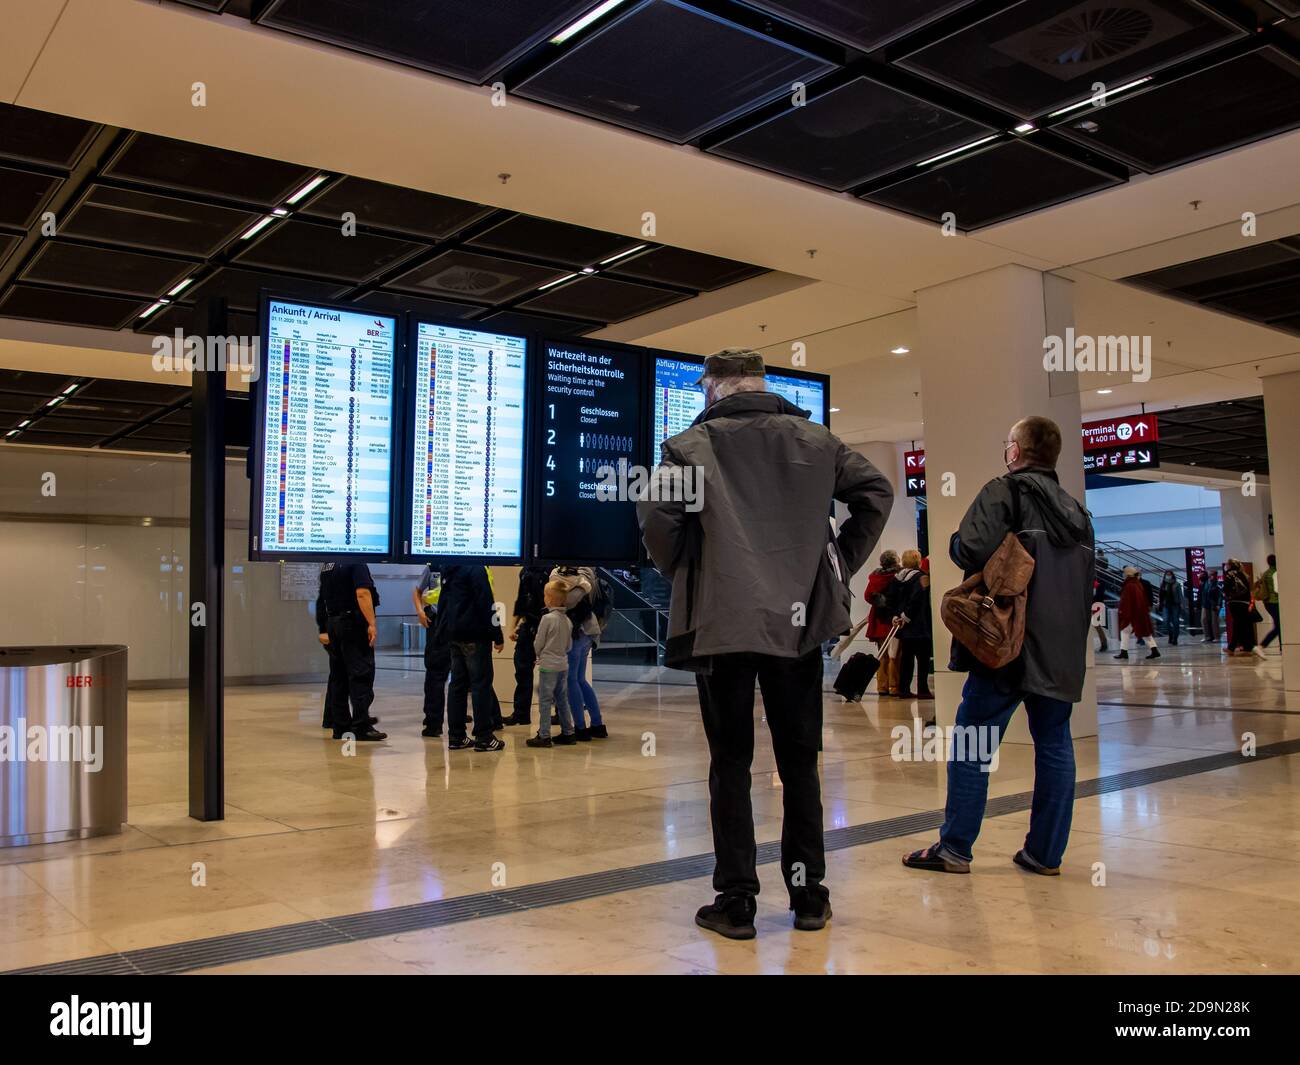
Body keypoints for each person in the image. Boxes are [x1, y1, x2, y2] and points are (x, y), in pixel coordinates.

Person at [638, 348, 892, 939]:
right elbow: (875, 493)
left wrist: (690, 571)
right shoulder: (817, 440)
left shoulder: (687, 447)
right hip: (796, 624)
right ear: (760, 384)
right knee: (798, 762)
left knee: (731, 763)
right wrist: (833, 564)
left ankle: (737, 902)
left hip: (722, 621)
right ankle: (808, 898)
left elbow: (657, 521)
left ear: (715, 388)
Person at [903, 415, 1093, 877]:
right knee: (1054, 743)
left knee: (973, 741)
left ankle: (955, 848)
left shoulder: (1005, 491)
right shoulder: (1078, 514)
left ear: (1016, 451)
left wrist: (952, 540)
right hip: (1062, 650)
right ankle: (1044, 855)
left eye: (1008, 443)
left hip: (1007, 644)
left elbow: (969, 548)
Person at [316, 560, 386, 741]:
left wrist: (323, 628)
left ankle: (340, 726)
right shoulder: (356, 562)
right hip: (352, 623)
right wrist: (371, 623)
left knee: (338, 677)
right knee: (361, 674)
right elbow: (362, 593)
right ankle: (362, 726)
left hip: (333, 622)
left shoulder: (327, 565)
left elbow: (321, 597)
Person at [438, 564, 506, 751]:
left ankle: (456, 736)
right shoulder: (475, 568)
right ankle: (484, 736)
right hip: (475, 635)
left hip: (454, 634)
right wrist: (497, 635)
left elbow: (443, 601)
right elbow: (486, 603)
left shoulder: (449, 570)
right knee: (480, 685)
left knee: (457, 685)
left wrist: (442, 631)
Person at [549, 565, 607, 740]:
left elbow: (567, 600)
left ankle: (580, 729)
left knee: (571, 680)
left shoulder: (586, 570)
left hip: (578, 632)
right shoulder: (573, 571)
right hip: (585, 632)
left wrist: (563, 585)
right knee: (579, 679)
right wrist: (577, 584)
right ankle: (597, 725)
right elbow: (554, 583)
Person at [525, 581, 577, 748]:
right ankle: (568, 732)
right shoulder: (567, 621)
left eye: (546, 595)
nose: (544, 598)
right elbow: (569, 645)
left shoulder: (547, 619)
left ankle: (544, 735)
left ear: (551, 599)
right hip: (563, 664)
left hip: (548, 665)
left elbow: (538, 642)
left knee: (545, 701)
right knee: (562, 699)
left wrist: (539, 654)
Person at [504, 565, 549, 727]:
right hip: (528, 626)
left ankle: (560, 713)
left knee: (554, 673)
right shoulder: (525, 571)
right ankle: (521, 713)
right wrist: (513, 626)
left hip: (546, 626)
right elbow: (521, 600)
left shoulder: (549, 570)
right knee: (522, 670)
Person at [413, 564, 451, 738]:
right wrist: (420, 612)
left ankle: (491, 718)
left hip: (455, 623)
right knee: (435, 673)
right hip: (436, 623)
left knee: (467, 676)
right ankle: (433, 722)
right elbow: (417, 590)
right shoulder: (433, 566)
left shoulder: (465, 565)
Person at [890, 549, 932, 701]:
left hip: (904, 627)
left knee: (906, 658)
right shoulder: (920, 577)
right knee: (923, 659)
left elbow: (892, 600)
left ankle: (904, 688)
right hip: (919, 624)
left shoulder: (897, 578)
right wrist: (906, 617)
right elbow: (917, 599)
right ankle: (923, 689)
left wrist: (896, 616)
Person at [863, 550, 902, 696]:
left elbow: (867, 596)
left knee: (882, 654)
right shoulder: (897, 577)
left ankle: (882, 686)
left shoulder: (875, 578)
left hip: (878, 619)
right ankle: (894, 686)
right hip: (893, 619)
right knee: (895, 654)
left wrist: (879, 601)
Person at [1223, 559, 1265, 659]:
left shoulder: (1229, 574)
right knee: (1241, 624)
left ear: (1230, 565)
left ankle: (1246, 647)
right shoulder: (1243, 574)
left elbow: (1226, 588)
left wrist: (1228, 596)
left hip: (1235, 602)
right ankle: (1243, 647)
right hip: (1245, 603)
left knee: (1238, 624)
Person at [1116, 566, 1160, 660]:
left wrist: (1124, 612)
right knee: (1144, 632)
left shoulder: (1130, 585)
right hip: (1139, 612)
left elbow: (1127, 601)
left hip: (1133, 614)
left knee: (1125, 631)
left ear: (1127, 574)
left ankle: (1124, 652)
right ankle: (1154, 650)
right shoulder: (1136, 584)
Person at [1260, 554, 1281, 649]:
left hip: (1268, 603)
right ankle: (1262, 645)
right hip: (1276, 602)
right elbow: (1277, 590)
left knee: (1279, 625)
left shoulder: (1265, 573)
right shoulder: (1276, 573)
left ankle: (1282, 647)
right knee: (1279, 626)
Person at [1159, 570, 1184, 646]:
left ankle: (1175, 638)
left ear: (1172, 575)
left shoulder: (1177, 584)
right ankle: (1171, 634)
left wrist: (1182, 604)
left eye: (1170, 574)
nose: (1168, 576)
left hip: (1175, 604)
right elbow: (1160, 595)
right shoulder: (1163, 584)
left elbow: (1180, 595)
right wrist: (1160, 603)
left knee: (1175, 622)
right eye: (1167, 574)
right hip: (1166, 604)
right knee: (1166, 621)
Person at [1201, 569, 1222, 642]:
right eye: (1210, 574)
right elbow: (1202, 593)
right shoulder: (1205, 583)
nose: (1211, 576)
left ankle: (1216, 637)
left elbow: (1220, 595)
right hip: (1205, 604)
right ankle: (1207, 636)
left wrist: (1219, 604)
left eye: (1213, 574)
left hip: (1214, 604)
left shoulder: (1217, 584)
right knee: (1204, 619)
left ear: (1215, 575)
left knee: (1214, 621)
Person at [1090, 579, 1109, 652]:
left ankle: (1104, 643)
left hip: (1096, 606)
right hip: (1096, 606)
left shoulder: (1096, 585)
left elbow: (1096, 597)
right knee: (1097, 626)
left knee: (1097, 626)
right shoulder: (1097, 585)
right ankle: (1104, 643)